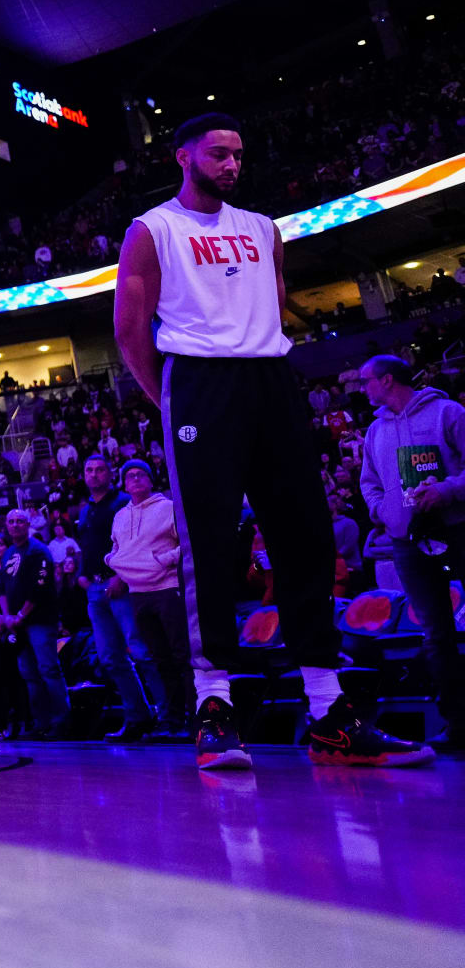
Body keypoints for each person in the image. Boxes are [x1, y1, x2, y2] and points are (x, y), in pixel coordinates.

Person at [114, 111, 429, 769]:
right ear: (183, 157)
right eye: (219, 154)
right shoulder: (153, 229)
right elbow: (128, 327)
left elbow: (272, 302)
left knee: (306, 535)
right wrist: (168, 398)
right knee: (209, 544)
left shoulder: (263, 229)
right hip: (198, 382)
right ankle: (214, 706)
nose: (232, 164)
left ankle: (327, 709)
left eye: (238, 154)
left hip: (270, 378)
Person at [359, 354, 465, 751]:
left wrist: (447, 489)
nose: (362, 388)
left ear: (387, 380)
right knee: (436, 634)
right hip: (407, 543)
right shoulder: (375, 432)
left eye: (366, 380)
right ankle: (458, 724)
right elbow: (369, 483)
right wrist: (381, 510)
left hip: (457, 528)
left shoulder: (447, 413)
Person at [75, 455, 163, 741]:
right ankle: (139, 716)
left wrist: (121, 576)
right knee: (110, 658)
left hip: (121, 586)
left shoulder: (123, 503)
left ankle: (168, 716)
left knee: (141, 651)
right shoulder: (86, 509)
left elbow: (131, 544)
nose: (94, 474)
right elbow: (86, 546)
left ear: (110, 474)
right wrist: (82, 574)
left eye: (100, 469)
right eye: (89, 470)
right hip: (95, 590)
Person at [105, 460, 191, 736]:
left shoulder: (168, 508)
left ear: (151, 480)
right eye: (129, 476)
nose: (135, 479)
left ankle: (196, 721)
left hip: (168, 589)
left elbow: (186, 544)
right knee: (159, 658)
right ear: (124, 484)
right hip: (138, 595)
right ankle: (172, 721)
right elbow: (117, 548)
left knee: (182, 655)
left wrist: (161, 561)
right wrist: (112, 559)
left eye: (141, 474)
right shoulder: (120, 516)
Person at [0, 510, 68, 738]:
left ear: (28, 525)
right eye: (11, 521)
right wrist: (7, 616)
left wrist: (20, 615)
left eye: (19, 521)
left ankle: (61, 722)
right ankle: (41, 723)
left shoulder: (38, 550)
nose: (15, 525)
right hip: (18, 622)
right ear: (6, 525)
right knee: (29, 673)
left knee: (48, 669)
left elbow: (41, 587)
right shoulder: (8, 553)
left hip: (39, 620)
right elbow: (2, 586)